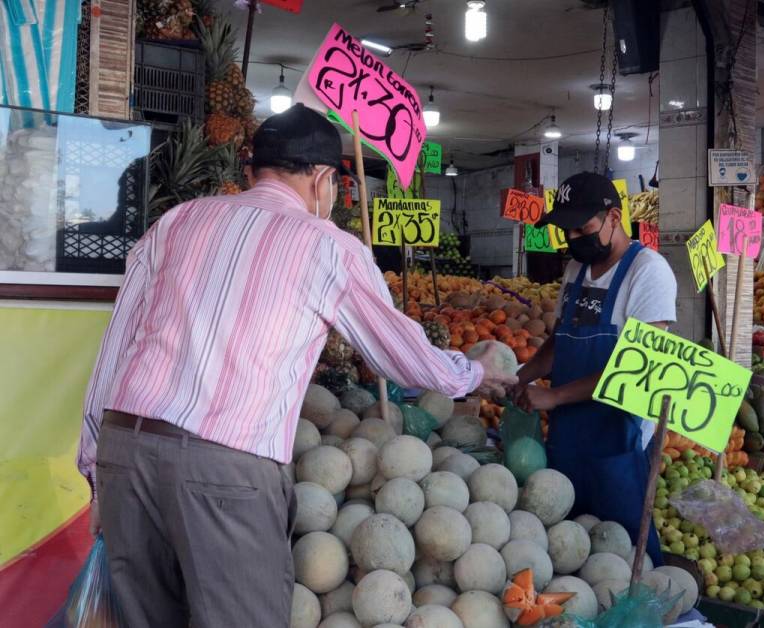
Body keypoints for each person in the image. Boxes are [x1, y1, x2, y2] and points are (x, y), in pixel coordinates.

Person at [76, 104, 516, 628]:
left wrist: (96, 471)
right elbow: (404, 358)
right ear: (325, 179)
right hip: (226, 471)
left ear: (251, 171)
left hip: (126, 450)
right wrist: (470, 373)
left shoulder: (178, 220)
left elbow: (117, 344)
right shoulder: (328, 246)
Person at [514, 171, 677, 566]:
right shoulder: (576, 270)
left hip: (616, 445)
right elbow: (561, 339)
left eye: (582, 228)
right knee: (568, 553)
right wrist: (520, 376)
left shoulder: (648, 272)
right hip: (567, 436)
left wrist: (552, 395)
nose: (573, 239)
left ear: (613, 218)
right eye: (566, 230)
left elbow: (639, 369)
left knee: (620, 558)